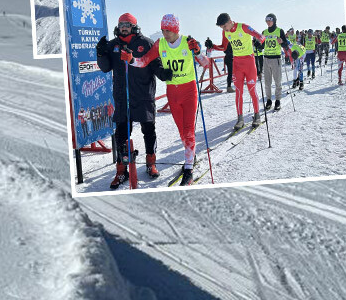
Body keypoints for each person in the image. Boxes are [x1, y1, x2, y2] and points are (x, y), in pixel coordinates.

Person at [127, 14, 207, 186]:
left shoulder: (188, 41)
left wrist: (198, 51)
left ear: (176, 29)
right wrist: (131, 60)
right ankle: (190, 154)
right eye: (163, 30)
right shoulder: (160, 44)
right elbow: (144, 61)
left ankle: (188, 169)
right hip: (173, 92)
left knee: (188, 130)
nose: (165, 34)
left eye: (168, 30)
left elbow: (205, 63)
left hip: (189, 91)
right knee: (181, 132)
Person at [95, 13, 161, 189]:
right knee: (122, 134)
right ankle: (121, 170)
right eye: (121, 24)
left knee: (149, 129)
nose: (124, 26)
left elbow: (156, 64)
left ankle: (150, 162)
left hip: (143, 94)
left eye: (127, 24)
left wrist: (165, 74)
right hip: (122, 97)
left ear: (134, 26)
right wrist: (100, 53)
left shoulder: (145, 43)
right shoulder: (113, 45)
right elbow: (105, 67)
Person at [211, 12, 265, 130]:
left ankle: (257, 115)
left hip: (249, 63)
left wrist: (258, 41)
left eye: (224, 26)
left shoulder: (243, 27)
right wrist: (212, 46)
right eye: (222, 28)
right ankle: (240, 119)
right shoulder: (225, 32)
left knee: (252, 90)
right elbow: (224, 47)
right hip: (237, 64)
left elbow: (260, 36)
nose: (224, 29)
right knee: (238, 92)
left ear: (230, 22)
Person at [256, 13, 292, 109]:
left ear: (274, 20)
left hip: (276, 59)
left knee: (277, 81)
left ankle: (277, 100)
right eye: (266, 20)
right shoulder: (264, 32)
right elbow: (262, 46)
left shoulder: (279, 31)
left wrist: (282, 42)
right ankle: (268, 101)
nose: (268, 22)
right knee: (267, 82)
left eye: (269, 20)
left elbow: (285, 46)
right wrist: (256, 45)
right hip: (266, 59)